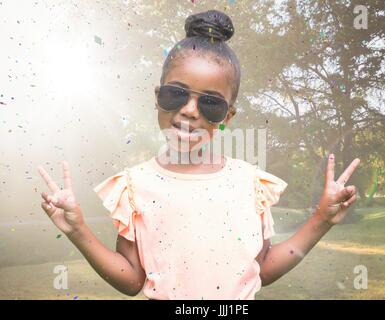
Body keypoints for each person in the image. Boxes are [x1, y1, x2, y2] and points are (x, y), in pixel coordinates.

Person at [37, 9, 360, 300]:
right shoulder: (134, 186)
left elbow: (261, 270)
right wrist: (78, 230)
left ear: (227, 117)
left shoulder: (250, 184)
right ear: (158, 96)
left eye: (210, 102)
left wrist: (322, 219)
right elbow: (132, 280)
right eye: (176, 94)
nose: (190, 111)